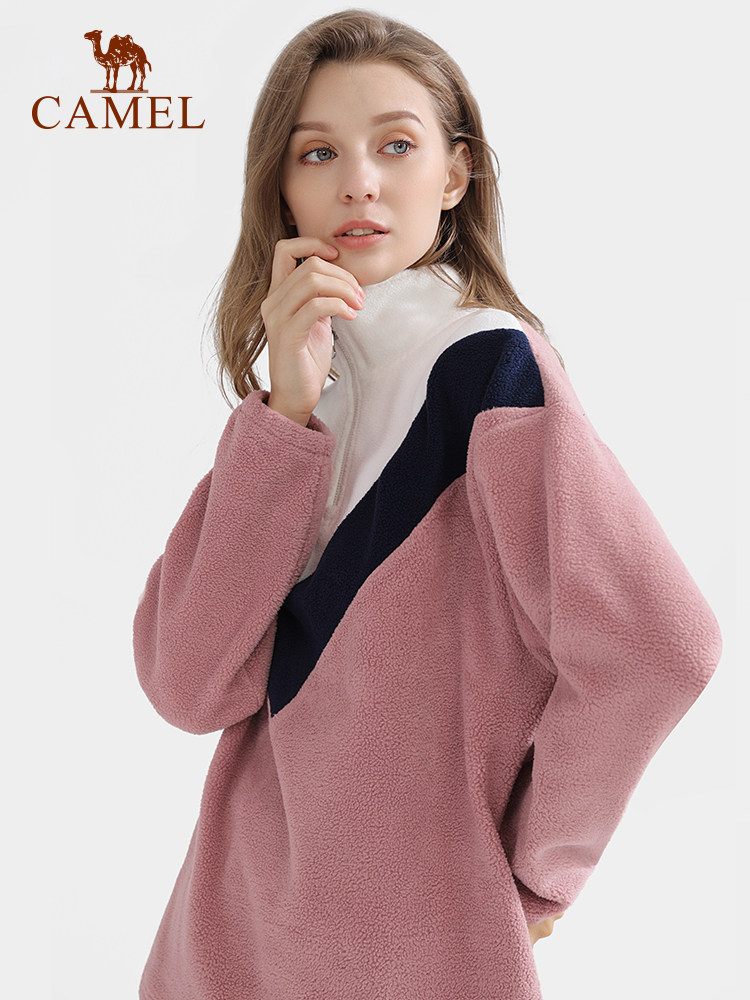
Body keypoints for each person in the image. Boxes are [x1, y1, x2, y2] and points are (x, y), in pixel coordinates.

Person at [132, 9, 722, 999]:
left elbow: (659, 644)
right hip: (230, 939)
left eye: (396, 145)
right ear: (281, 188)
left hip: (410, 956)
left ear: (456, 175)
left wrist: (536, 870)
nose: (358, 181)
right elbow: (188, 687)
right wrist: (284, 411)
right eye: (317, 152)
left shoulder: (488, 372)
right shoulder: (302, 403)